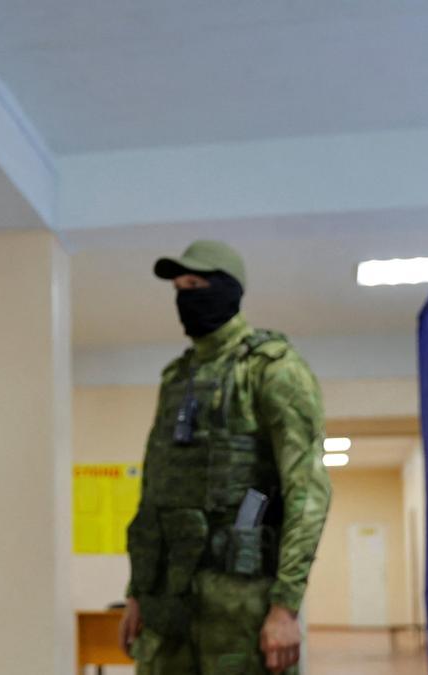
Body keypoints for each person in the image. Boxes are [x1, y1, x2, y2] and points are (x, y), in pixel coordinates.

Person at [118, 240, 331, 674]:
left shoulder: (273, 370)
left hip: (241, 604)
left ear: (229, 289)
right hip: (167, 607)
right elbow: (153, 493)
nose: (185, 296)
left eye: (195, 283)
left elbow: (307, 491)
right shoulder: (176, 379)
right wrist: (138, 591)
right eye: (178, 287)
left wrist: (286, 607)